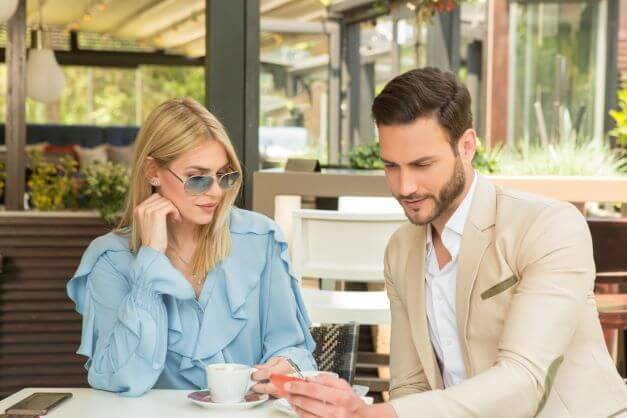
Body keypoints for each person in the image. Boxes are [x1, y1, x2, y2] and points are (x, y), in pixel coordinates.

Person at [284, 67, 627, 417]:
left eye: (422, 164)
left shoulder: (547, 226)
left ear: (466, 146)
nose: (405, 187)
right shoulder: (401, 250)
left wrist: (378, 414)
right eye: (391, 166)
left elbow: (523, 380)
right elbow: (410, 385)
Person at [67, 98, 316, 397]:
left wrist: (284, 364)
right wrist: (150, 261)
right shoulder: (109, 259)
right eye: (197, 178)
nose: (215, 192)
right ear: (152, 172)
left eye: (224, 176)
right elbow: (122, 379)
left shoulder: (260, 239)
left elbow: (292, 347)